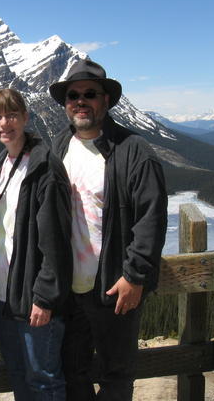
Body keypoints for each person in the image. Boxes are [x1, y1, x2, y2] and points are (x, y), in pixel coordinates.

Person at [48, 59, 168, 401]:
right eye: (73, 95)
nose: (80, 101)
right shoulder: (59, 148)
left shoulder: (134, 152)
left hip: (116, 287)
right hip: (70, 289)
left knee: (116, 375)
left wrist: (135, 277)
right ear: (66, 102)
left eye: (90, 94)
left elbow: (151, 218)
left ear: (106, 101)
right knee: (73, 372)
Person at [0, 88, 72, 401]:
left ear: (25, 117)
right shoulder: (1, 162)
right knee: (19, 375)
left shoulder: (44, 166)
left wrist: (45, 297)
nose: (4, 123)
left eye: (11, 115)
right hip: (4, 295)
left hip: (33, 298)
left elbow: (57, 240)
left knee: (44, 381)